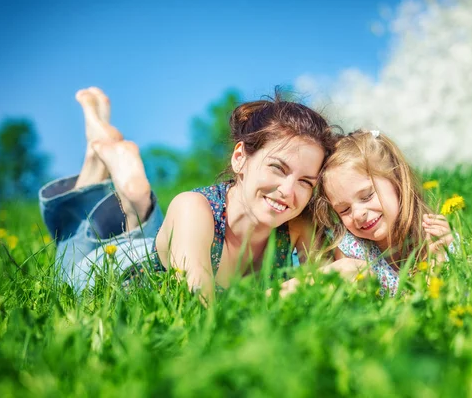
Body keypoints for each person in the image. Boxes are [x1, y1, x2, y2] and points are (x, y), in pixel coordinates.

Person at [39, 87, 337, 303]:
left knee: (149, 233)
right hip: (108, 273)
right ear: (240, 158)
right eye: (277, 168)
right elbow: (200, 308)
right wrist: (299, 287)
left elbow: (330, 299)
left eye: (305, 182)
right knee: (71, 238)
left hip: (170, 243)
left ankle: (133, 200)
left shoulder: (299, 225)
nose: (288, 191)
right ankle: (96, 165)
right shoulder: (194, 207)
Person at [308, 129, 457, 297]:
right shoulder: (352, 250)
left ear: (397, 181)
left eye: (367, 196)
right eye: (344, 210)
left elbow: (449, 297)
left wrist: (437, 260)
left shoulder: (434, 235)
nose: (357, 214)